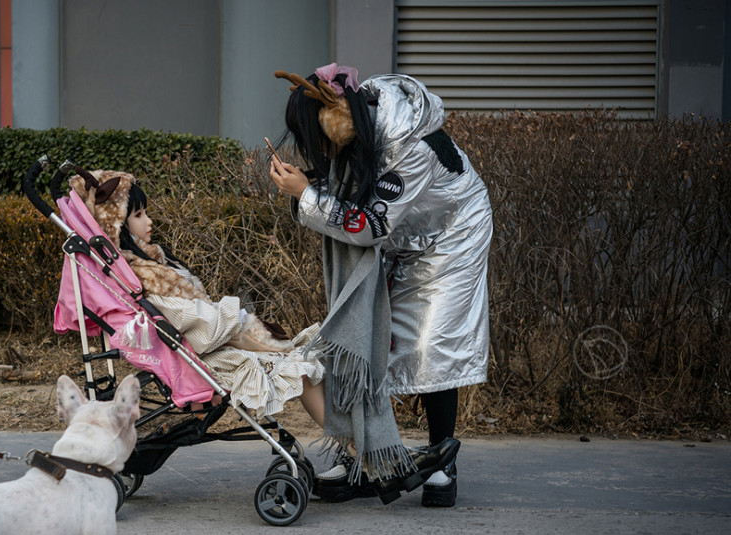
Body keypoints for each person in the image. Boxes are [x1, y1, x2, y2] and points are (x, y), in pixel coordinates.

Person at [269, 63, 493, 507]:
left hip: (452, 237)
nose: (317, 149)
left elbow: (370, 223)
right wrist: (311, 188)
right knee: (369, 336)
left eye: (315, 138)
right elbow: (365, 209)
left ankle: (441, 462)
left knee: (432, 346)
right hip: (401, 236)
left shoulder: (412, 146)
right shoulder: (363, 128)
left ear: (336, 120)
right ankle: (364, 456)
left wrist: (306, 197)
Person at [67, 167, 326, 425]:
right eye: (138, 214)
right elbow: (196, 324)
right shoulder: (145, 277)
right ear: (117, 226)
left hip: (213, 345)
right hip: (206, 357)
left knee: (311, 360)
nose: (149, 221)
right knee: (303, 367)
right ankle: (350, 450)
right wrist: (237, 317)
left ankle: (349, 448)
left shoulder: (153, 263)